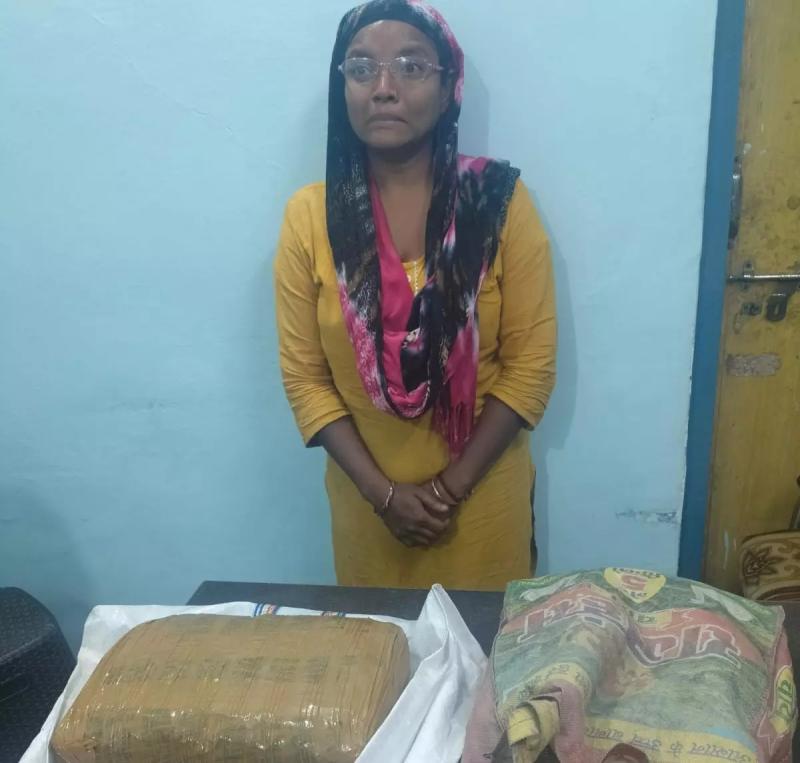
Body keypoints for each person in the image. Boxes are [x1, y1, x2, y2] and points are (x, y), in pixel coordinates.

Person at [274, 0, 556, 591]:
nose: (384, 88)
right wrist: (384, 497)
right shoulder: (310, 218)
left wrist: (446, 491)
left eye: (411, 66)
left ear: (448, 86)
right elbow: (305, 380)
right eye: (361, 68)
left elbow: (531, 369)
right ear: (343, 87)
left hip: (482, 512)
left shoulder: (498, 204)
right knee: (380, 647)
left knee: (483, 648)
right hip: (368, 514)